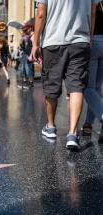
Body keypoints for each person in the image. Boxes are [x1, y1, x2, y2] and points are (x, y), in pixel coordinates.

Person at [32, 0, 100, 149]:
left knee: (51, 85)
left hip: (53, 41)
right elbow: (93, 12)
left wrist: (35, 43)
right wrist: (89, 37)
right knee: (77, 86)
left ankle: (50, 127)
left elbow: (40, 13)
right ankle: (72, 133)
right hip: (80, 40)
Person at [82, 2, 103, 142]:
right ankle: (88, 124)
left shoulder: (93, 3)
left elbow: (92, 15)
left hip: (94, 40)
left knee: (88, 88)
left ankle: (101, 117)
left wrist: (88, 38)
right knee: (96, 88)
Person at [18, 24, 35, 89]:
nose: (25, 31)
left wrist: (31, 55)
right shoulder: (29, 36)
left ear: (30, 28)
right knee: (23, 69)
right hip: (25, 54)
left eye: (26, 30)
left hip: (29, 54)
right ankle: (25, 83)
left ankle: (30, 83)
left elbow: (34, 46)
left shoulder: (33, 36)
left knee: (29, 69)